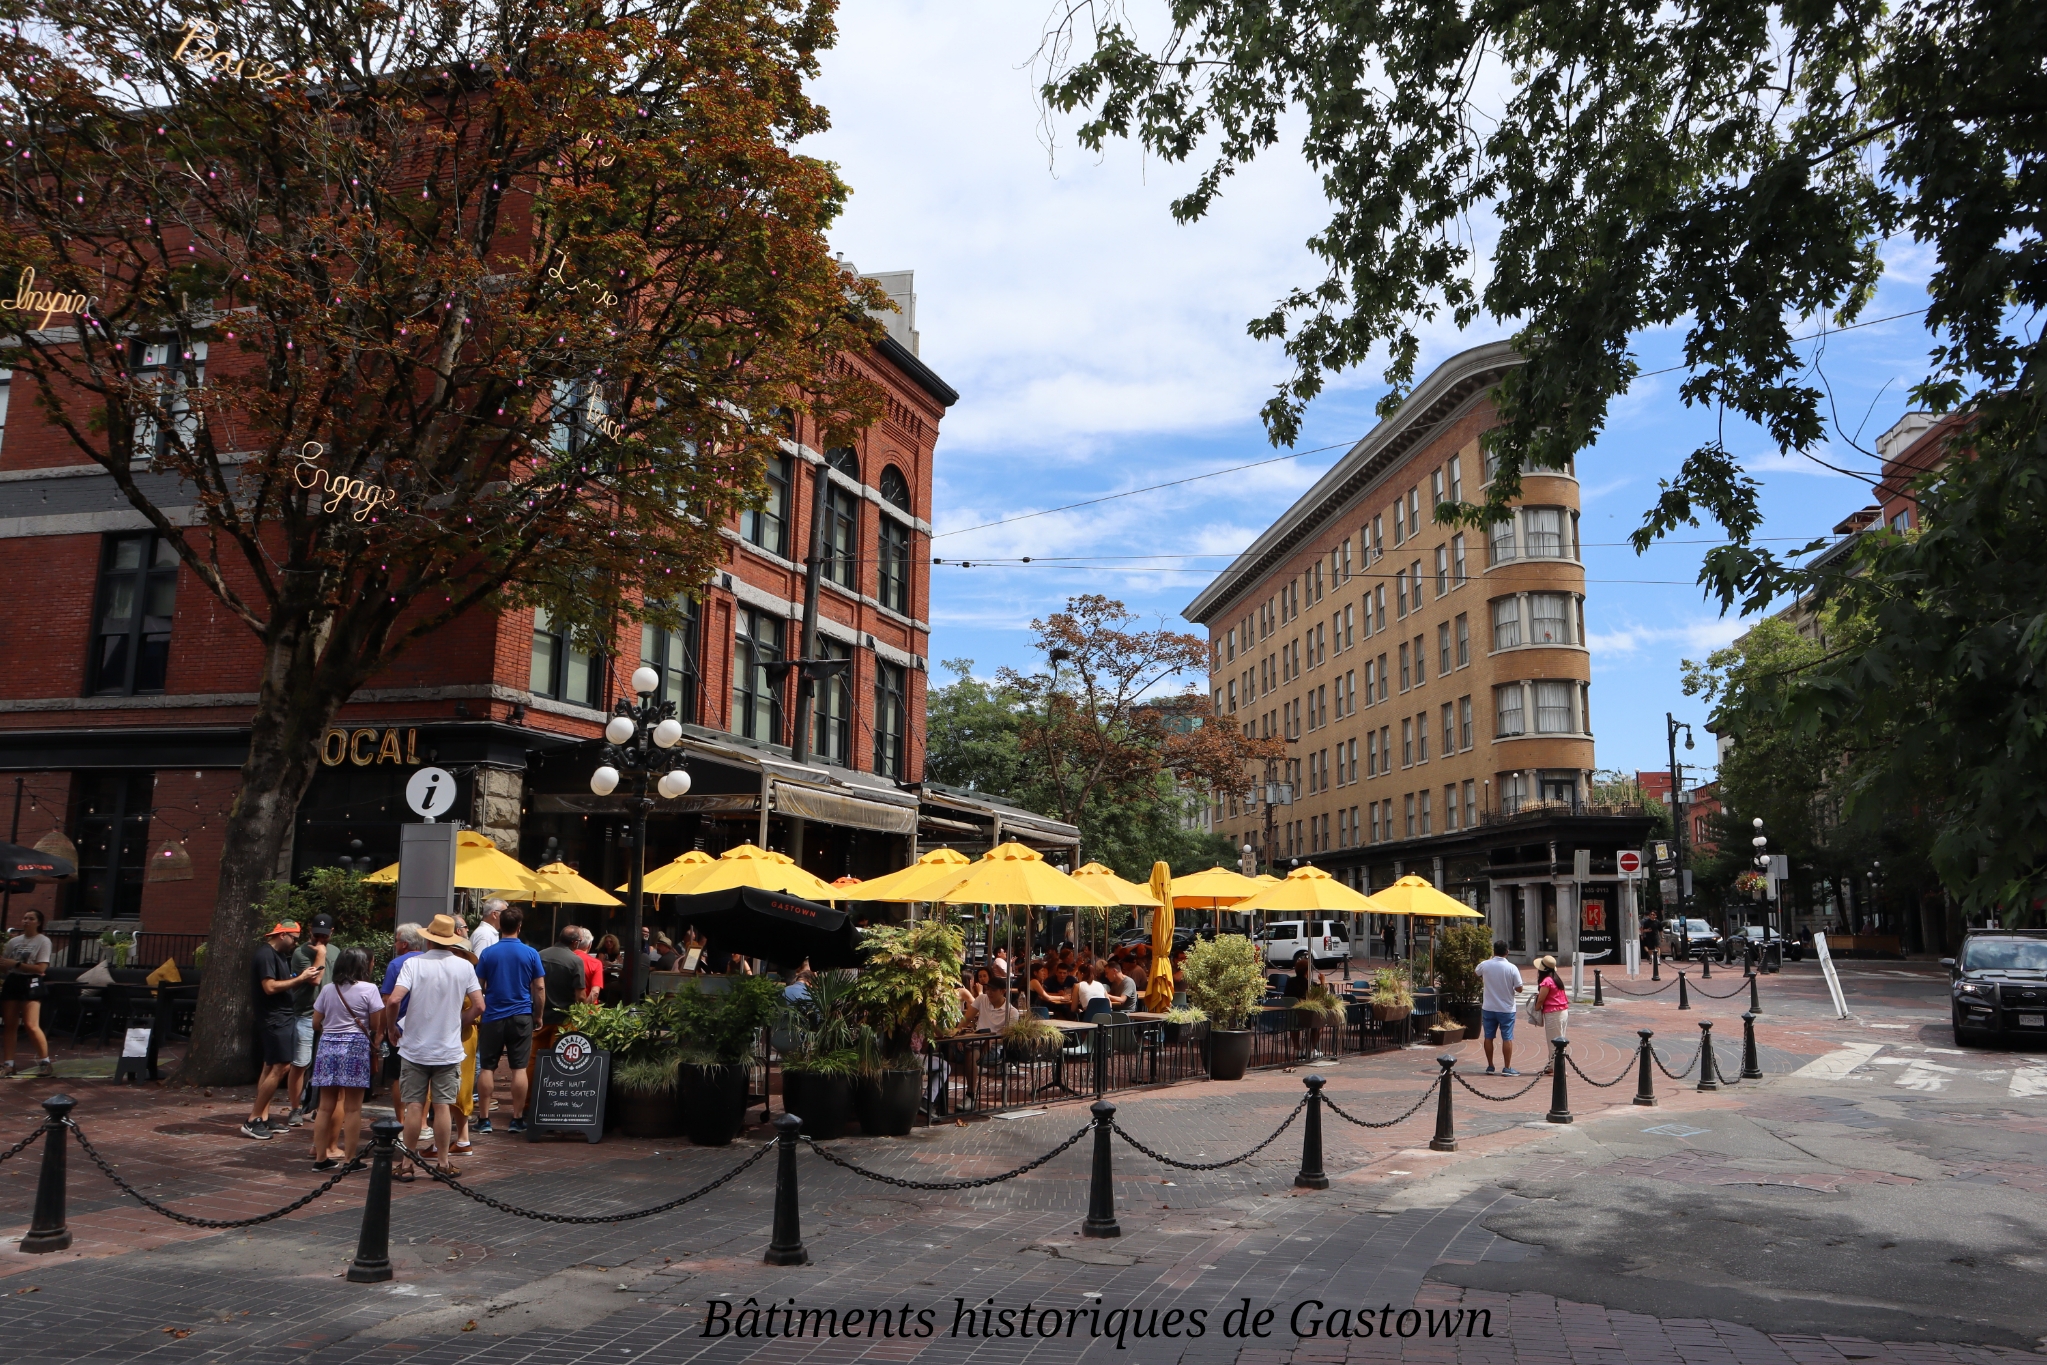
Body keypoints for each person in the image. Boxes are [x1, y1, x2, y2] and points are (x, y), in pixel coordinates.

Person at [387, 914, 484, 1178]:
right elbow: (479, 1005)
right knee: (442, 1106)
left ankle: (407, 1164)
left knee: (414, 1105)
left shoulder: (414, 964)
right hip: (447, 1047)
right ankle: (442, 1163)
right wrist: (461, 1020)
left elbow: (394, 1000)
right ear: (452, 940)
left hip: (415, 1047)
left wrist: (391, 1027)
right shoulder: (464, 967)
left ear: (428, 939)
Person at [308, 946, 383, 1169]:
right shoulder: (369, 989)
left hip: (327, 1046)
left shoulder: (328, 990)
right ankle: (351, 1158)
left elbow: (315, 1023)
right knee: (353, 1108)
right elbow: (375, 1024)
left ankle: (321, 1158)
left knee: (324, 1106)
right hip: (355, 1048)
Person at [243, 921, 319, 1140]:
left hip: (281, 1017)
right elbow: (269, 987)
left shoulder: (278, 956)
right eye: (294, 938)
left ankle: (263, 1117)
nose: (296, 943)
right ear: (283, 934)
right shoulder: (266, 955)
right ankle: (253, 1119)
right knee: (282, 1066)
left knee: (270, 1066)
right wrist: (301, 979)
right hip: (274, 1019)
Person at [473, 905, 544, 1136]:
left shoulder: (488, 953)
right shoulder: (531, 953)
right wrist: (538, 1015)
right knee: (519, 1067)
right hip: (521, 1014)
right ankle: (516, 1118)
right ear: (519, 927)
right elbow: (539, 987)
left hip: (493, 1015)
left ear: (500, 925)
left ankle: (484, 1119)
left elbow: (477, 984)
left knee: (487, 1067)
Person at [285, 913, 334, 1127]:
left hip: (329, 1018)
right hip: (305, 1014)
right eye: (317, 934)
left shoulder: (337, 952)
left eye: (325, 935)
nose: (320, 939)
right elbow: (315, 979)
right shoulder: (300, 952)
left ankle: (316, 1107)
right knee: (301, 1063)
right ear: (309, 930)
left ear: (332, 932)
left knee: (323, 1065)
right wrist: (321, 954)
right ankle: (295, 1108)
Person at [379, 923, 426, 1125]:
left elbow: (388, 999)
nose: (395, 944)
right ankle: (422, 1122)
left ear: (404, 944)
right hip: (426, 1026)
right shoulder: (428, 961)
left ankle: (401, 1120)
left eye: (396, 940)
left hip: (400, 1028)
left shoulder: (396, 965)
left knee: (398, 1076)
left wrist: (385, 1028)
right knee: (427, 1074)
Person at [1, 909, 54, 1077]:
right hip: (13, 981)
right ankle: (9, 1063)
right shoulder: (14, 941)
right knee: (9, 1023)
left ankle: (45, 1061)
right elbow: (4, 964)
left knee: (31, 1024)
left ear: (38, 922)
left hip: (31, 981)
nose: (26, 921)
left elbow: (41, 967)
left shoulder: (43, 941)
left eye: (31, 918)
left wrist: (16, 964)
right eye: (24, 918)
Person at [1476, 941, 1525, 1076]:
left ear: (1494, 951)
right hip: (1506, 1008)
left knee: (1488, 1037)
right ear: (1507, 952)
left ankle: (1490, 1066)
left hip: (1489, 1006)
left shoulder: (1485, 964)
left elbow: (1476, 973)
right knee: (1507, 1037)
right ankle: (1507, 1067)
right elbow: (1519, 988)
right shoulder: (1512, 968)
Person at [1532, 955, 1569, 1074]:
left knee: (1554, 1041)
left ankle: (1558, 1069)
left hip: (1553, 1013)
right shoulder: (1556, 979)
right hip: (1562, 1012)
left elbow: (1541, 999)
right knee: (1559, 1039)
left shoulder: (1546, 981)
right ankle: (1553, 1066)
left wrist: (1536, 1008)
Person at [596, 933, 624, 1005]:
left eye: (611, 941)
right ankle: (605, 1001)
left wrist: (614, 962)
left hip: (610, 972)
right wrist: (610, 963)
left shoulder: (616, 951)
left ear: (614, 942)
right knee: (609, 982)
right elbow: (601, 962)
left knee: (616, 981)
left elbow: (620, 961)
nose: (608, 943)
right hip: (601, 973)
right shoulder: (602, 950)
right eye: (606, 942)